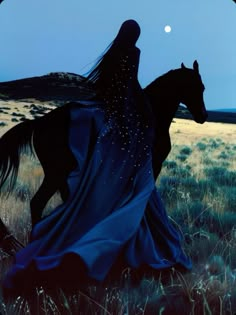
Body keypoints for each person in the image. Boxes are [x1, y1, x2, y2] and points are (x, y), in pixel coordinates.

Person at [3, 19, 191, 295]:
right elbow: (130, 83)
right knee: (140, 142)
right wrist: (141, 106)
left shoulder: (115, 50)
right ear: (134, 34)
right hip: (124, 108)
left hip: (110, 102)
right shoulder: (133, 52)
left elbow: (111, 82)